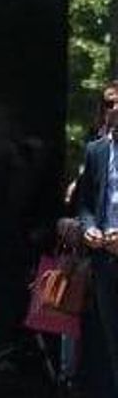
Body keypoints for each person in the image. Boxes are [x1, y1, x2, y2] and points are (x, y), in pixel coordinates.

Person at [73, 81, 118, 395]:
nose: (113, 109)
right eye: (108, 104)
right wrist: (88, 226)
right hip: (105, 259)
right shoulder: (96, 150)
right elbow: (85, 202)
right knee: (112, 341)